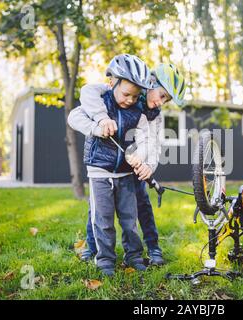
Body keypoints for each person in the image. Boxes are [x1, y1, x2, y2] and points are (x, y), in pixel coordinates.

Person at [68, 63, 186, 266]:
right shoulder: (121, 91)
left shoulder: (154, 115)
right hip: (107, 164)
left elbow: (154, 143)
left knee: (142, 205)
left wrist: (148, 165)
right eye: (161, 95)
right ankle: (93, 247)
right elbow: (89, 95)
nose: (161, 102)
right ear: (150, 83)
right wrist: (100, 122)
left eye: (166, 100)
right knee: (98, 209)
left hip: (133, 167)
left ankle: (152, 247)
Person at [70, 54, 152, 277]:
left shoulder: (137, 112)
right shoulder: (99, 102)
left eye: (136, 96)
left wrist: (139, 155)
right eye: (126, 94)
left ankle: (134, 256)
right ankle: (105, 259)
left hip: (125, 175)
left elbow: (145, 140)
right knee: (103, 219)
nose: (130, 100)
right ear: (111, 83)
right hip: (99, 173)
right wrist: (99, 124)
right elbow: (74, 118)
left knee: (129, 219)